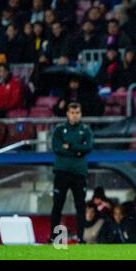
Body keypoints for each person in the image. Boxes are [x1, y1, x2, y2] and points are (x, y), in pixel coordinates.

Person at [50, 102, 94, 243]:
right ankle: (55, 238)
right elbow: (57, 148)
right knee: (58, 205)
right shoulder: (59, 130)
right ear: (67, 114)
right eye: (72, 113)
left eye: (77, 113)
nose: (75, 116)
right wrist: (78, 150)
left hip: (79, 173)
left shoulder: (86, 130)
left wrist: (69, 146)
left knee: (80, 206)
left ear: (80, 114)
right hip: (62, 172)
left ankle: (81, 238)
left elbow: (88, 147)